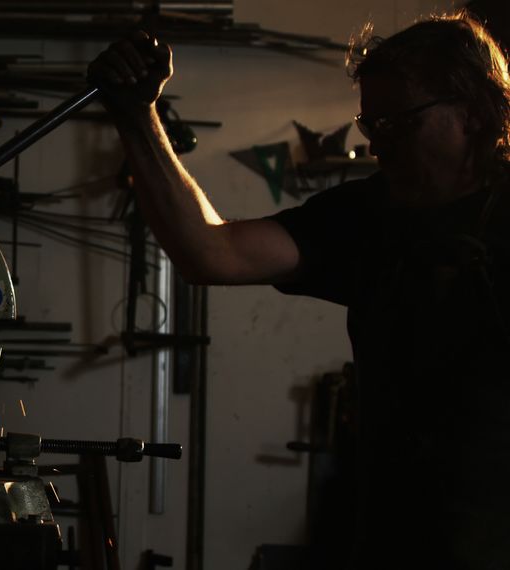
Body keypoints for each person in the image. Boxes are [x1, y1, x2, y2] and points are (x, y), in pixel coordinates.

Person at [90, 11, 510, 570]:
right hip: (397, 539)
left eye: (399, 124)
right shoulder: (368, 216)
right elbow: (211, 252)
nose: (380, 147)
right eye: (371, 126)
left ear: (476, 115)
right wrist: (136, 116)